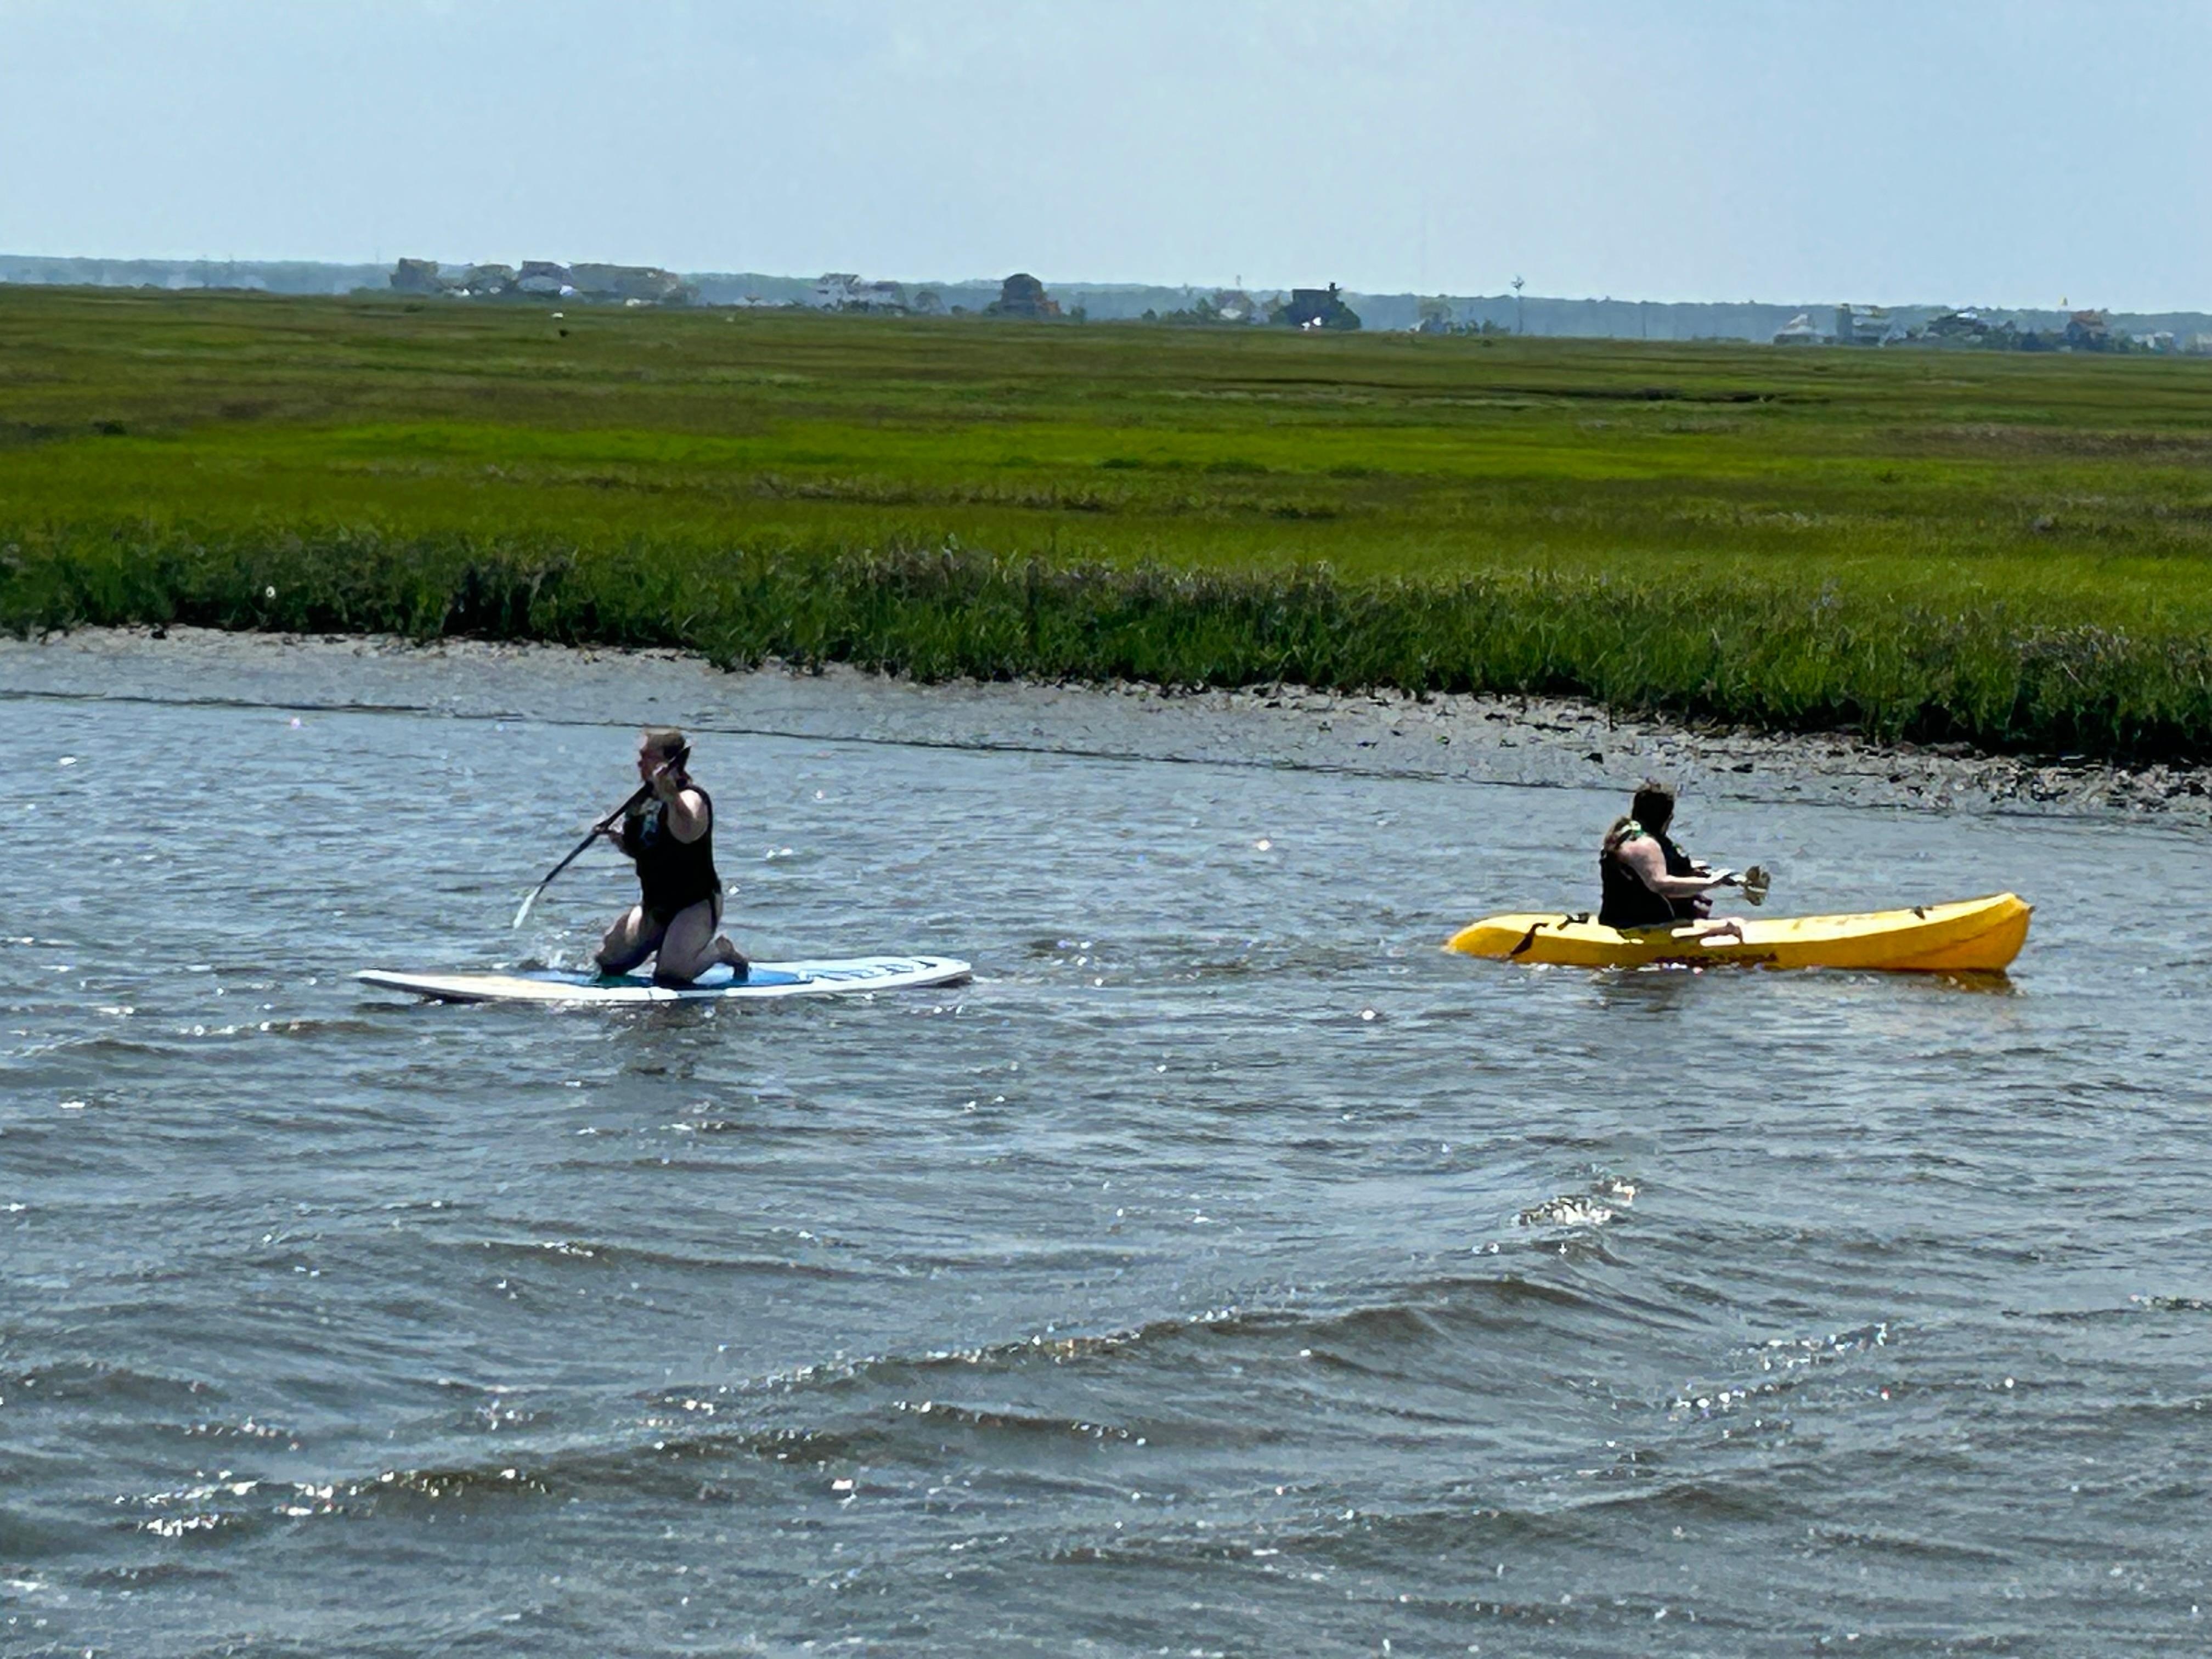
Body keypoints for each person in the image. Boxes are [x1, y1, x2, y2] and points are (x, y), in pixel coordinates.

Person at [594, 727, 751, 985]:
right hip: (655, 905)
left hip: (695, 905)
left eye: (648, 757)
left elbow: (688, 831)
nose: (639, 763)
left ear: (669, 764)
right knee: (609, 961)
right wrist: (615, 837)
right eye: (640, 756)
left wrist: (672, 799)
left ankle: (721, 951)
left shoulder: (692, 798)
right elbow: (641, 850)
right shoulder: (639, 803)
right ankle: (665, 943)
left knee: (671, 975)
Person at [1598, 780, 1741, 939]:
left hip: (1616, 922)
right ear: (1667, 818)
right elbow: (1660, 885)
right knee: (1736, 925)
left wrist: (1690, 870)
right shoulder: (1645, 845)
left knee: (1733, 922)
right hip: (1645, 929)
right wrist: (1713, 882)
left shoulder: (1622, 834)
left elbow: (1641, 869)